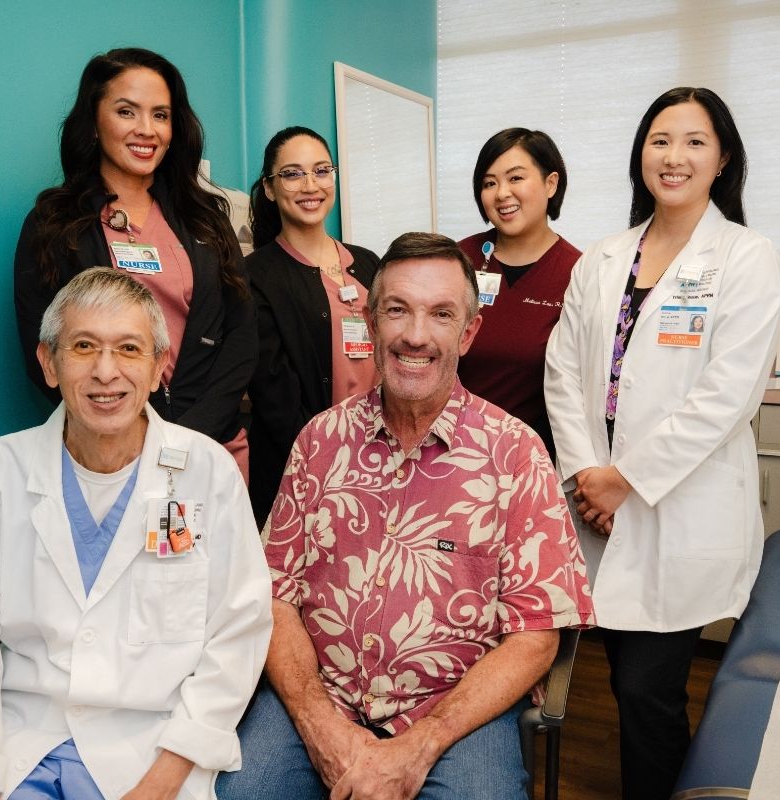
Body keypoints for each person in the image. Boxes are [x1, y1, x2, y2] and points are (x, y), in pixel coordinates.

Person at [217, 233, 595, 800]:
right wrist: (322, 727)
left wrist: (422, 743)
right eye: (397, 310)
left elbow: (537, 631)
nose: (415, 336)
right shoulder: (320, 441)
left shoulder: (515, 453)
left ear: (468, 333)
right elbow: (273, 593)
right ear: (371, 323)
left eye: (441, 314)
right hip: (323, 692)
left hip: (457, 709)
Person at [0, 268, 273, 800]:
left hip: (152, 752)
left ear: (160, 367)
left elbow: (239, 631)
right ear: (49, 363)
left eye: (129, 349)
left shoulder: (206, 471)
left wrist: (161, 783)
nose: (106, 372)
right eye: (84, 346)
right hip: (19, 744)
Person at [544, 87, 780, 800]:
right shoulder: (604, 259)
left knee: (649, 694)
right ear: (640, 154)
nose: (673, 156)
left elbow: (727, 396)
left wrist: (625, 479)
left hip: (678, 507)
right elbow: (564, 370)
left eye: (693, 141)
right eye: (659, 140)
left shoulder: (746, 257)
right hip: (600, 507)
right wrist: (589, 472)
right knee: (626, 684)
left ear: (723, 159)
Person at [13, 48, 256, 478]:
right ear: (93, 122)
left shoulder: (206, 219)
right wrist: (117, 426)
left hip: (210, 446)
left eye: (160, 115)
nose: (147, 130)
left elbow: (242, 336)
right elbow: (46, 347)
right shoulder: (54, 224)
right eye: (127, 111)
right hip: (105, 453)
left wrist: (188, 435)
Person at [244, 126, 380, 526]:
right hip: (308, 473)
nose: (310, 185)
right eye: (292, 173)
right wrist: (337, 468)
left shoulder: (369, 262)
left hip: (384, 460)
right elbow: (275, 399)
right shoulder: (254, 276)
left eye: (322, 171)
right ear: (269, 189)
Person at [456, 128, 580, 457]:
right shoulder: (458, 260)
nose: (501, 193)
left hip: (530, 460)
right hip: (448, 449)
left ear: (550, 184)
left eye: (515, 178)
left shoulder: (580, 273)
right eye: (489, 183)